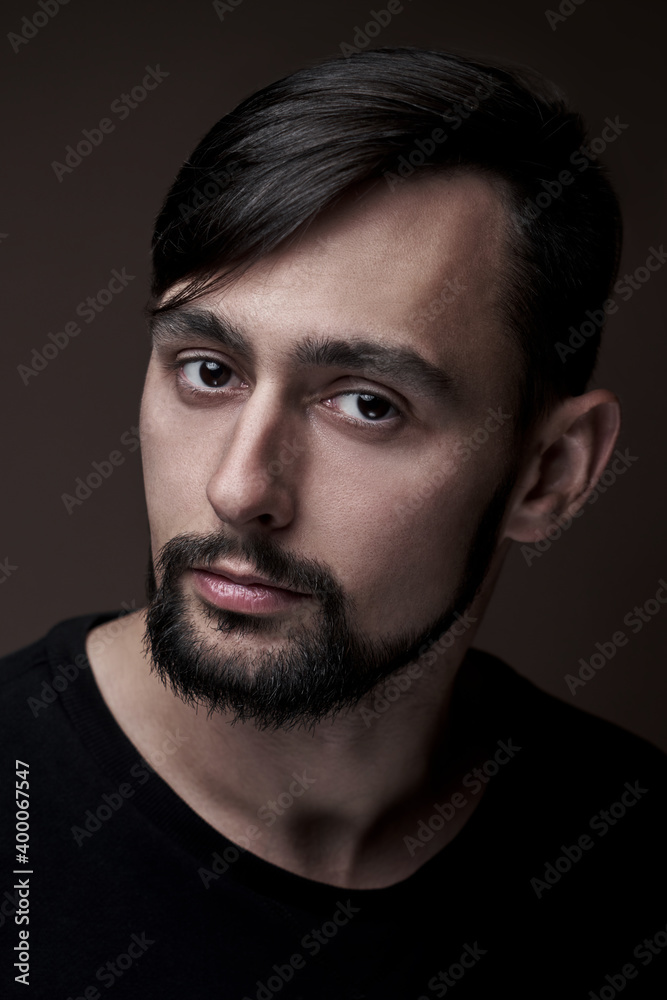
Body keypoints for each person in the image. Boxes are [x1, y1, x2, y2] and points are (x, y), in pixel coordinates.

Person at [1, 47, 665, 999]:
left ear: (548, 474)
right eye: (208, 371)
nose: (240, 488)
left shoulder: (629, 851)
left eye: (364, 404)